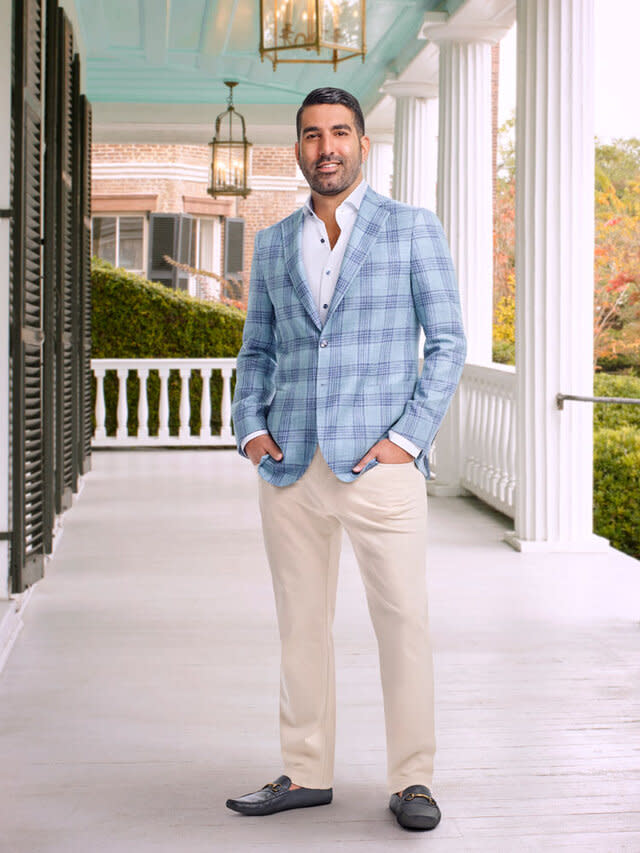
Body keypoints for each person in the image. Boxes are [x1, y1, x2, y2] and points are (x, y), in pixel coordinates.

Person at [227, 87, 466, 832]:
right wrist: (250, 428)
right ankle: (305, 769)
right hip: (291, 465)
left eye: (338, 133)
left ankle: (413, 779)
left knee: (403, 621)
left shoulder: (410, 229)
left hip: (380, 465)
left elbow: (450, 342)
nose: (325, 146)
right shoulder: (272, 243)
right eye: (310, 135)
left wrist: (408, 438)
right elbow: (257, 349)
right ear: (296, 148)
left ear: (362, 143)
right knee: (300, 624)